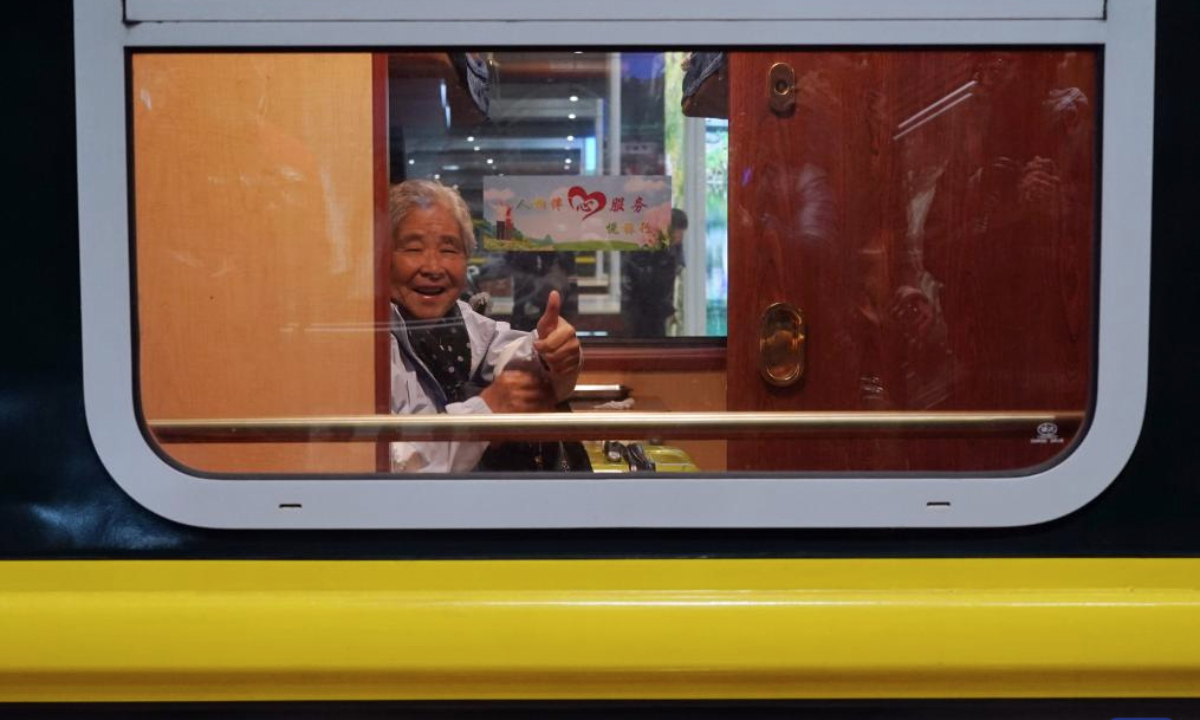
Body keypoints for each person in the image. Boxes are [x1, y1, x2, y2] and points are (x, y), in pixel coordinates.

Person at [388, 179, 582, 472]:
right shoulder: (367, 341)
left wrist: (552, 352)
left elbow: (506, 349)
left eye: (449, 250)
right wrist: (485, 410)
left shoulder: (458, 319)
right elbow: (394, 463)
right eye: (413, 249)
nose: (432, 267)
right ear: (380, 258)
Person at [620, 208, 688, 337]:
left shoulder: (673, 249)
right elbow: (640, 276)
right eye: (677, 232)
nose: (679, 237)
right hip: (641, 307)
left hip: (659, 308)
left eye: (681, 233)